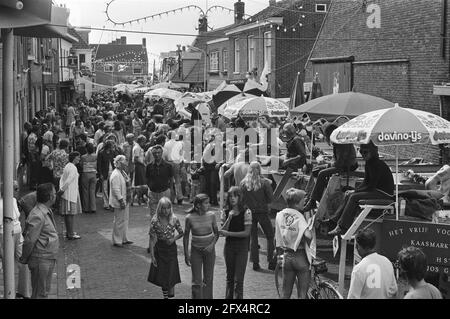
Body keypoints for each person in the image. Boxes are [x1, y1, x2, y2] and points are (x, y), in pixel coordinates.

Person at [328, 141, 395, 236]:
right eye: (361, 152)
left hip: (384, 193)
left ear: (372, 152)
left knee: (353, 197)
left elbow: (371, 185)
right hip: (376, 190)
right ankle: (333, 221)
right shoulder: (369, 163)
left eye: (366, 152)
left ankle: (342, 227)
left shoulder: (377, 164)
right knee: (350, 195)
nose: (363, 155)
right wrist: (354, 190)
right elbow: (366, 182)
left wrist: (355, 191)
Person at [303, 123, 358, 211]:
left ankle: (313, 200)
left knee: (321, 173)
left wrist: (327, 163)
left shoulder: (341, 142)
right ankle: (310, 195)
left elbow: (339, 162)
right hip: (343, 165)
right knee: (315, 170)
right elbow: (336, 159)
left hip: (347, 166)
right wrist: (328, 162)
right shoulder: (338, 140)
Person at [19, 183, 59, 299]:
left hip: (47, 257)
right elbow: (30, 240)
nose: (56, 196)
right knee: (39, 294)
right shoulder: (38, 214)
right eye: (55, 193)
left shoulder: (45, 210)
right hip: (41, 259)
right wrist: (25, 258)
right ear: (50, 196)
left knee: (43, 292)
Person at [275, 188, 313, 299]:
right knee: (302, 294)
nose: (305, 202)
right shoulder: (299, 216)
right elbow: (308, 236)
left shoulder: (279, 215)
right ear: (296, 203)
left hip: (287, 256)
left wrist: (278, 253)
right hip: (300, 255)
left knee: (285, 293)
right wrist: (308, 246)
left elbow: (277, 237)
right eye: (303, 200)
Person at [240, 161, 276, 271]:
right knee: (270, 236)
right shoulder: (264, 183)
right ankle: (271, 261)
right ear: (260, 169)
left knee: (253, 238)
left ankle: (255, 262)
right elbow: (270, 198)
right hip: (262, 212)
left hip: (250, 212)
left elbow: (241, 200)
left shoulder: (243, 183)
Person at [183, 194, 219, 299]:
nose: (209, 204)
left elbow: (216, 234)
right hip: (196, 251)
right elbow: (186, 237)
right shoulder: (189, 218)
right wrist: (186, 254)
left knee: (208, 279)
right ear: (198, 205)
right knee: (196, 281)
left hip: (209, 251)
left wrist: (212, 245)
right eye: (206, 203)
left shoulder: (211, 215)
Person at [0, 181, 32, 298]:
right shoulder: (1, 204)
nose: (18, 191)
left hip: (17, 232)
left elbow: (18, 217)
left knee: (23, 260)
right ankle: (9, 291)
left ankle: (24, 291)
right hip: (5, 234)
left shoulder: (13, 200)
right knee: (7, 263)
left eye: (17, 189)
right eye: (16, 189)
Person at [147, 197, 184, 299]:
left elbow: (181, 233)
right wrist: (152, 255)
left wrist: (173, 239)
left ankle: (170, 293)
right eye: (163, 208)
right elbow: (151, 238)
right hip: (160, 249)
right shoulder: (154, 220)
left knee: (171, 273)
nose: (165, 211)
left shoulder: (174, 219)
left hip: (171, 249)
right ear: (159, 208)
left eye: (168, 208)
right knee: (163, 275)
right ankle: (166, 297)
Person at [219, 187, 252, 299]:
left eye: (235, 196)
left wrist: (229, 233)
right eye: (231, 196)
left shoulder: (246, 212)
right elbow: (222, 232)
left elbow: (246, 233)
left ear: (239, 197)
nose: (233, 198)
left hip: (242, 247)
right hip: (229, 247)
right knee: (230, 278)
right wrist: (229, 218)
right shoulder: (225, 211)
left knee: (239, 280)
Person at [347, 228, 398, 299]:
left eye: (357, 245)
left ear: (359, 246)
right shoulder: (387, 261)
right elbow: (394, 291)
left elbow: (352, 297)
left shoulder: (359, 268)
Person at [109, 155, 133, 247]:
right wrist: (121, 200)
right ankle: (117, 240)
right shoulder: (115, 174)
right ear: (119, 163)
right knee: (119, 220)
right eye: (123, 162)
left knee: (125, 220)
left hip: (125, 199)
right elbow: (116, 189)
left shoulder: (122, 172)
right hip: (120, 201)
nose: (125, 164)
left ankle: (124, 238)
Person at [58, 152, 82, 240]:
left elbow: (62, 179)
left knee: (68, 214)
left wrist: (61, 189)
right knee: (70, 214)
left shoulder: (68, 166)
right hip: (70, 193)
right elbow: (68, 180)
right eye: (78, 157)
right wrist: (62, 190)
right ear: (74, 158)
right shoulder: (73, 168)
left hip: (67, 193)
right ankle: (70, 233)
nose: (79, 159)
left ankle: (69, 232)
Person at [146, 145, 173, 217]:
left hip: (164, 192)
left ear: (162, 153)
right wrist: (150, 187)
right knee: (153, 215)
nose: (157, 154)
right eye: (155, 153)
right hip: (152, 193)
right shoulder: (149, 166)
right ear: (152, 154)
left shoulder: (168, 166)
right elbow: (147, 178)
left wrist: (171, 191)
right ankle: (155, 228)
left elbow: (171, 179)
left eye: (159, 152)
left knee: (165, 214)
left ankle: (164, 228)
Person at [97, 140, 120, 210]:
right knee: (105, 188)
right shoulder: (101, 153)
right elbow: (99, 164)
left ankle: (111, 203)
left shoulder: (113, 152)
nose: (113, 147)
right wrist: (100, 173)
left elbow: (116, 160)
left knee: (112, 187)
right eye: (112, 145)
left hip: (112, 172)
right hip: (104, 172)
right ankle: (106, 203)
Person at [164, 131, 184, 205]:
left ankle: (171, 198)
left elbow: (165, 154)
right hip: (176, 162)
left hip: (169, 162)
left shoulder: (166, 144)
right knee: (177, 180)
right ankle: (179, 197)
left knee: (170, 181)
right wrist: (181, 162)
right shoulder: (179, 143)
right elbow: (181, 154)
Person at [80, 143, 97, 214]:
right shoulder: (95, 156)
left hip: (85, 174)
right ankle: (93, 207)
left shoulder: (83, 157)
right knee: (92, 191)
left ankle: (86, 208)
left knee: (85, 191)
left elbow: (81, 165)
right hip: (93, 174)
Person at [132, 135, 147, 205]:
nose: (144, 143)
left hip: (140, 165)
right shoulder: (137, 148)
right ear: (141, 141)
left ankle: (141, 197)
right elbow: (136, 158)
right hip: (139, 166)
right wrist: (143, 164)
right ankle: (140, 197)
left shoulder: (139, 147)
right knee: (140, 182)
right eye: (144, 142)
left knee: (142, 181)